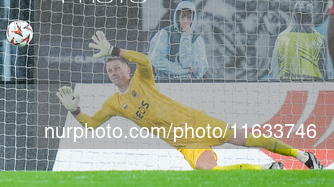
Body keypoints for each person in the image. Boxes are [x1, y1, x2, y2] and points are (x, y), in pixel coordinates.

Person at [56, 31, 325, 170]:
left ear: (127, 70)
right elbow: (91, 125)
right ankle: (267, 168)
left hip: (195, 123)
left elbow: (146, 60)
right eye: (109, 71)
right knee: (208, 169)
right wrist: (75, 110)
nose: (113, 73)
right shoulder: (114, 103)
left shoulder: (142, 79)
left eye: (117, 67)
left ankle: (301, 155)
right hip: (183, 143)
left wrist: (116, 50)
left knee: (241, 138)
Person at [148, 1, 208, 79]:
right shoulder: (166, 33)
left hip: (189, 85)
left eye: (189, 17)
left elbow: (194, 67)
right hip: (164, 82)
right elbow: (156, 61)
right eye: (183, 17)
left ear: (193, 18)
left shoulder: (197, 39)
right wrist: (183, 71)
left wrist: (186, 36)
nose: (185, 21)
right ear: (177, 17)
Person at [270, 1, 328, 80]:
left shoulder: (282, 38)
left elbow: (275, 68)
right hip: (313, 84)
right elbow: (324, 70)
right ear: (311, 17)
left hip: (287, 83)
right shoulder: (319, 39)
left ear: (294, 16)